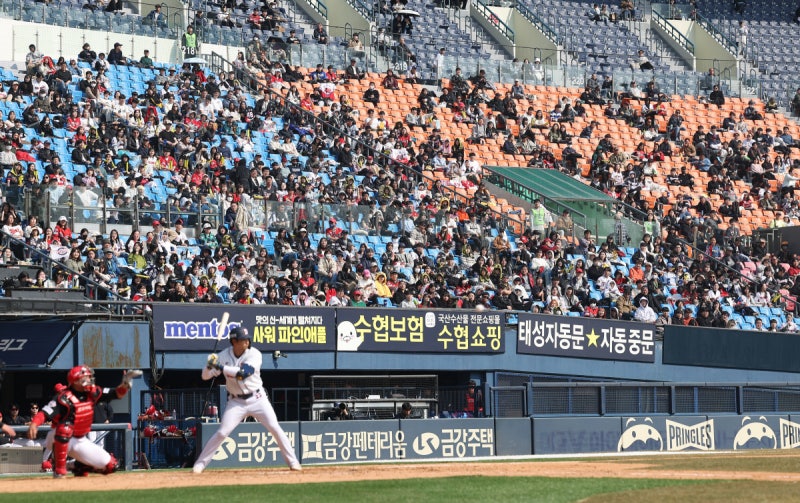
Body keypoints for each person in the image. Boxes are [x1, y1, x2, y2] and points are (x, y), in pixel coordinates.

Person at [193, 326, 301, 473]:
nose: (247, 341)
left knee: (275, 428)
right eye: (243, 339)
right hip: (236, 402)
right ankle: (199, 465)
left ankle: (293, 462)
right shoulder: (224, 356)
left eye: (247, 339)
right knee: (222, 433)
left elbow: (244, 373)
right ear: (234, 341)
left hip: (257, 398)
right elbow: (205, 376)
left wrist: (220, 366)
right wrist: (209, 365)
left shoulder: (254, 354)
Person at [27, 365, 136, 477]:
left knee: (111, 465)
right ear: (76, 381)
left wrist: (125, 385)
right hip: (56, 437)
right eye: (86, 377)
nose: (89, 380)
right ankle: (59, 470)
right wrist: (34, 424)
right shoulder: (64, 397)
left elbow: (116, 393)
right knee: (65, 428)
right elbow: (44, 413)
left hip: (79, 439)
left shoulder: (92, 393)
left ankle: (74, 466)